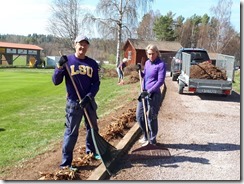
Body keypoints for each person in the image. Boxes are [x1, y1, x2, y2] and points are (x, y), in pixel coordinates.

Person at [52, 35, 101, 169]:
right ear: (75, 44)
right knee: (71, 132)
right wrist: (59, 66)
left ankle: (91, 152)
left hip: (88, 101)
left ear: (88, 47)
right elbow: (56, 81)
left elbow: (96, 83)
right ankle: (66, 163)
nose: (82, 47)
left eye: (85, 44)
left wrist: (89, 96)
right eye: (80, 44)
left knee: (92, 128)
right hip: (74, 103)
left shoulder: (92, 63)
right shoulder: (67, 61)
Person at [136, 44, 166, 146]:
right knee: (139, 116)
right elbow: (145, 76)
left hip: (154, 94)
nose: (151, 56)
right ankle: (145, 135)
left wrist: (149, 91)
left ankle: (152, 140)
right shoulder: (148, 63)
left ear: (157, 53)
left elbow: (160, 81)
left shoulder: (161, 64)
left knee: (151, 117)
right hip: (144, 93)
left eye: (153, 53)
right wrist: (140, 71)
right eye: (149, 54)